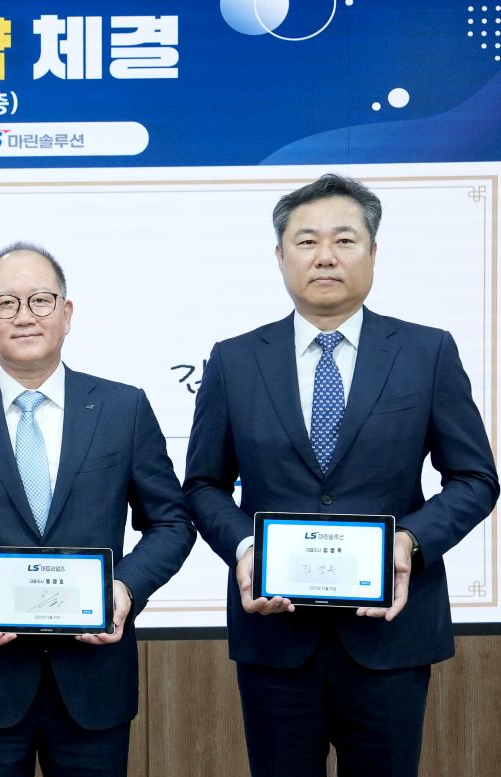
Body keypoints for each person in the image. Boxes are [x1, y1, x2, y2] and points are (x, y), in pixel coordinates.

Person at [183, 173, 499, 777]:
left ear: (373, 252)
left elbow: (475, 479)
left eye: (344, 240)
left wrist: (409, 542)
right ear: (280, 255)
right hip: (275, 638)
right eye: (306, 241)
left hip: (390, 637)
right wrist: (247, 548)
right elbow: (202, 485)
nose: (325, 255)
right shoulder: (235, 359)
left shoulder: (427, 352)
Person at [0, 242, 196, 777]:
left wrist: (124, 589)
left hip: (94, 679)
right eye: (5, 303)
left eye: (40, 300)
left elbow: (171, 522)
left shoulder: (123, 408)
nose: (24, 316)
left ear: (66, 313)